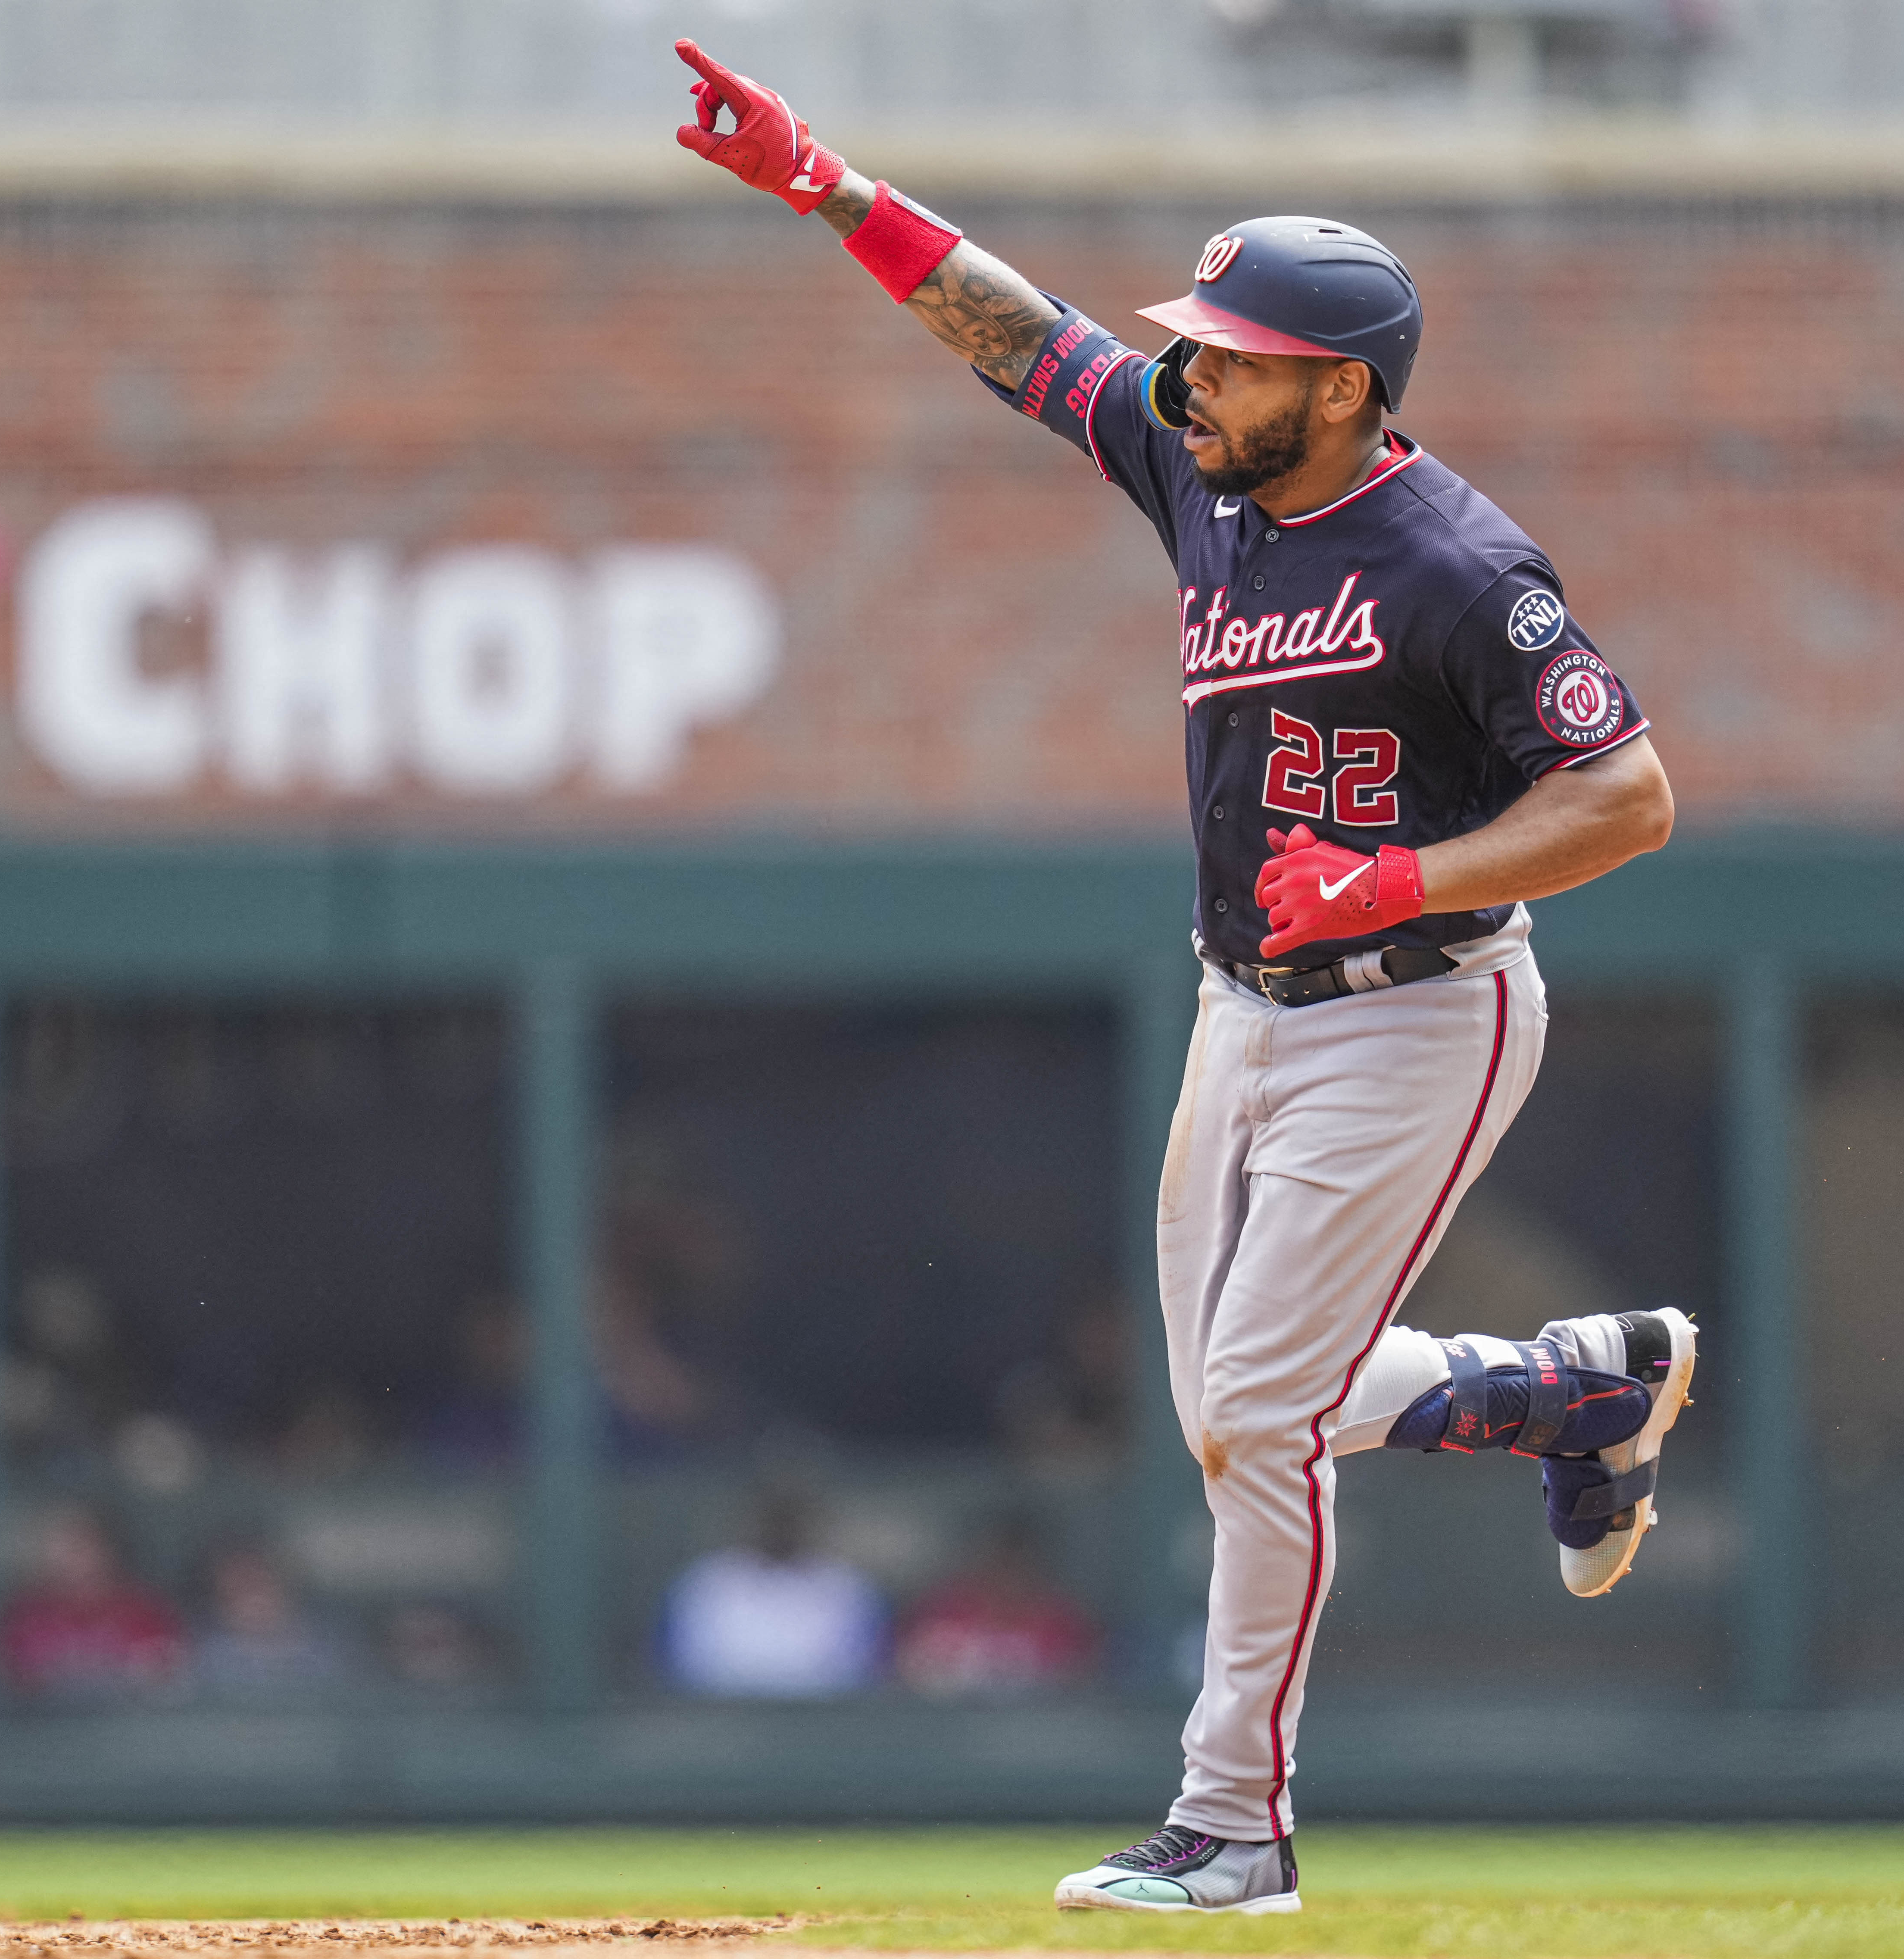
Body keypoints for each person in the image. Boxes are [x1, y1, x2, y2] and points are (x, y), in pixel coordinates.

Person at [673, 42, 1690, 1914]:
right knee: (1238, 1403)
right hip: (1246, 1001)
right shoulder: (1207, 469)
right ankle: (1565, 1395)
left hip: (1420, 1004)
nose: (1192, 372)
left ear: (1341, 385)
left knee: (1254, 1420)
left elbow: (1625, 794)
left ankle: (1235, 1825)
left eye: (1230, 351)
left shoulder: (1458, 561)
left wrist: (1405, 870)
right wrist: (823, 182)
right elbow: (1028, 341)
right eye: (1200, 345)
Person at [659, 1487, 885, 1699]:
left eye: (791, 1519)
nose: (781, 1529)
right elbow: (685, 1670)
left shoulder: (849, 1589)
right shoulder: (705, 1583)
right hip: (720, 1725)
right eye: (772, 1518)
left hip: (823, 1726)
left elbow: (858, 1675)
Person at [0, 1504, 187, 1703]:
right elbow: (11, 1688)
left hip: (128, 1728)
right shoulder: (25, 1617)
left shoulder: (143, 1610)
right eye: (56, 1547)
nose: (65, 1558)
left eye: (76, 1544)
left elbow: (165, 1685)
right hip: (46, 1731)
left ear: (104, 1547)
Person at [893, 1516, 1100, 1699]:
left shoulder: (1060, 1625)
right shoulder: (945, 1615)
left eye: (1018, 1567)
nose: (1008, 1577)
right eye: (999, 1563)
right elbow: (909, 1680)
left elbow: (1078, 1686)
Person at [190, 1540, 349, 1701]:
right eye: (240, 1588)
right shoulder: (204, 1661)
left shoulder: (332, 1652)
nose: (255, 1597)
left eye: (262, 1582)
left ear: (287, 1587)